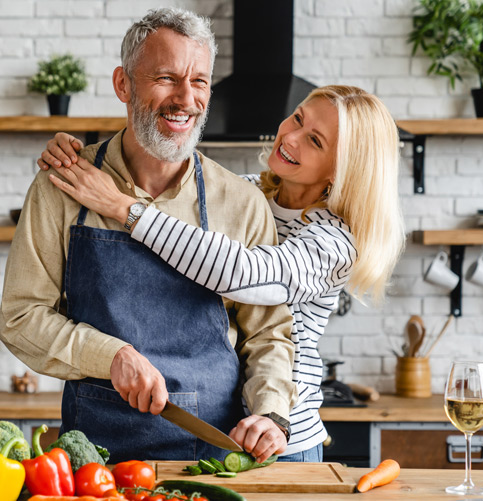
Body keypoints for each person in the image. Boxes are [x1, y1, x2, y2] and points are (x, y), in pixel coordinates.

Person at [37, 85, 406, 462]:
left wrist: (121, 207)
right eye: (297, 118)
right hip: (223, 424)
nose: (290, 137)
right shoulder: (246, 193)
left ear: (342, 170)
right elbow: (168, 185)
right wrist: (84, 158)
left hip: (280, 434)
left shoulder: (333, 241)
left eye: (314, 140)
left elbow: (242, 274)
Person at [0, 8, 299, 464]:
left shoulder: (240, 202)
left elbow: (269, 334)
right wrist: (111, 355)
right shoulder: (63, 184)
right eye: (165, 77)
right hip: (95, 459)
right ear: (123, 84)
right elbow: (20, 316)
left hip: (216, 455)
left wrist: (271, 412)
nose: (186, 98)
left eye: (199, 81)